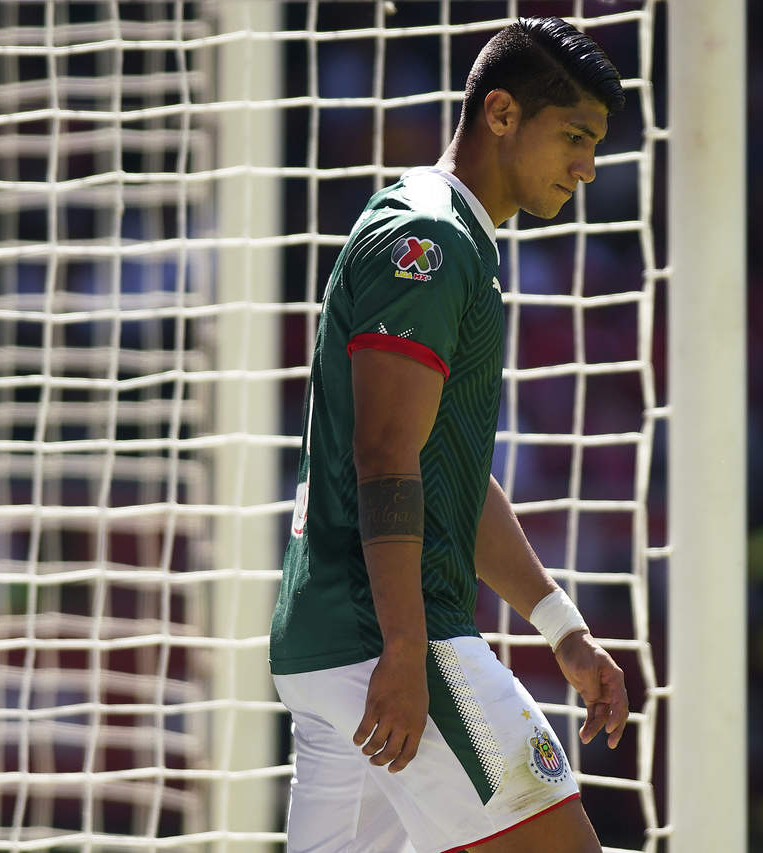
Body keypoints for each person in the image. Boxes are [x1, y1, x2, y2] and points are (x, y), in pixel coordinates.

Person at [268, 18, 629, 853]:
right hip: (395, 641)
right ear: (501, 113)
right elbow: (386, 454)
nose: (587, 166)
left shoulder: (439, 230)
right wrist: (404, 648)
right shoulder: (430, 239)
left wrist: (560, 625)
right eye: (575, 136)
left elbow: (445, 474)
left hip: (332, 643)